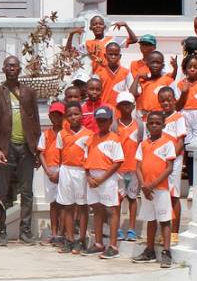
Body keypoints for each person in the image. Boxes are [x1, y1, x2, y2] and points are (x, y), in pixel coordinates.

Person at [0, 55, 41, 245]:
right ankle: (0, 231)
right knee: (1, 190)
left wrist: (37, 149)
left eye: (15, 66)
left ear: (19, 69)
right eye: (8, 66)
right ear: (3, 69)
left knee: (27, 191)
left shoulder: (29, 93)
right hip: (5, 148)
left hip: (26, 148)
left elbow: (35, 122)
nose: (11, 69)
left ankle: (25, 231)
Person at [132, 112, 178, 268]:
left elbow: (169, 168)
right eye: (151, 123)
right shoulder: (143, 144)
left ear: (163, 125)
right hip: (146, 190)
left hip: (160, 189)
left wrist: (152, 185)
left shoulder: (168, 143)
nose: (154, 125)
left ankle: (166, 252)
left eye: (157, 123)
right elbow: (138, 167)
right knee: (150, 220)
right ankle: (149, 250)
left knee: (164, 220)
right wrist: (144, 185)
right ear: (147, 125)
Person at [86, 106, 125, 258]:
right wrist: (89, 177)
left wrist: (101, 179)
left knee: (111, 210)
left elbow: (117, 162)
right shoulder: (91, 138)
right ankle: (98, 243)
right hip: (92, 177)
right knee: (97, 209)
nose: (101, 122)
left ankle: (113, 246)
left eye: (104, 120)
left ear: (110, 121)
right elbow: (85, 160)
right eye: (99, 120)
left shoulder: (114, 139)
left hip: (107, 178)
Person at [55, 102, 91, 254]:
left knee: (82, 206)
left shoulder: (89, 134)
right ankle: (69, 239)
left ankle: (81, 240)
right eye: (70, 115)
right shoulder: (61, 134)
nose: (73, 117)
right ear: (66, 117)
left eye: (76, 113)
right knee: (67, 206)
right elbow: (59, 154)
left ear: (81, 115)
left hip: (81, 172)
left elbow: (89, 156)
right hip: (66, 171)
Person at [112, 92, 143, 242]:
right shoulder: (114, 125)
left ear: (133, 106)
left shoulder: (139, 124)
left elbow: (141, 144)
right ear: (118, 107)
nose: (126, 107)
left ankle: (131, 229)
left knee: (132, 198)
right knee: (117, 199)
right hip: (117, 169)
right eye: (122, 104)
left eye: (128, 104)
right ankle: (116, 228)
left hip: (134, 167)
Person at [67, 15, 136, 80]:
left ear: (104, 26)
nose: (97, 26)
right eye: (94, 24)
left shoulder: (113, 40)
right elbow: (69, 52)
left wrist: (126, 26)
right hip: (98, 77)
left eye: (100, 24)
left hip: (114, 75)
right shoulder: (88, 44)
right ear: (90, 28)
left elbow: (134, 40)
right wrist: (71, 34)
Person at [158, 86, 187, 241]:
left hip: (173, 162)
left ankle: (174, 232)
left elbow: (181, 142)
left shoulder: (178, 118)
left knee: (174, 195)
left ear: (174, 99)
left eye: (169, 99)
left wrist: (171, 157)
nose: (166, 103)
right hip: (160, 163)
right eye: (162, 100)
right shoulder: (158, 118)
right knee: (162, 195)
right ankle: (163, 232)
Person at [37, 101, 66, 245]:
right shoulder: (46, 134)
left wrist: (60, 172)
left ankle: (62, 233)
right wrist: (48, 171)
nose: (56, 117)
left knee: (63, 203)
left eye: (59, 115)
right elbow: (41, 153)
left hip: (63, 170)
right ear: (49, 116)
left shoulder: (66, 133)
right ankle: (54, 233)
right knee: (53, 203)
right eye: (54, 115)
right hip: (49, 170)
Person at [131, 50, 175, 117]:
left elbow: (174, 101)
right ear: (147, 64)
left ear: (162, 65)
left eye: (158, 63)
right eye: (152, 62)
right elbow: (132, 95)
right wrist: (138, 76)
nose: (155, 65)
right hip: (143, 119)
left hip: (160, 118)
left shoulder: (168, 81)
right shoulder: (142, 82)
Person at [96, 42, 133, 108]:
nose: (113, 56)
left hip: (120, 110)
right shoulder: (99, 73)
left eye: (116, 54)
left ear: (120, 56)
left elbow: (132, 91)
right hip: (103, 110)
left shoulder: (126, 72)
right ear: (105, 56)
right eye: (110, 54)